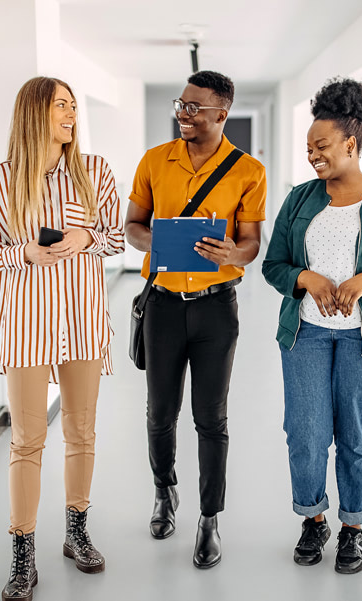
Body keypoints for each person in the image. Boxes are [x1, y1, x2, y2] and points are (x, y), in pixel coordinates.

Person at [262, 77, 362, 574]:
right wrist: (306, 277)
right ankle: (313, 519)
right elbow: (274, 267)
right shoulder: (299, 200)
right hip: (305, 334)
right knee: (306, 433)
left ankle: (352, 528)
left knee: (355, 436)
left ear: (350, 144)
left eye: (322, 146)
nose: (313, 155)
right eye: (309, 147)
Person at [0, 76, 124, 601]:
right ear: (34, 112)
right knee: (27, 441)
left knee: (81, 433)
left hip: (83, 322)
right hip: (27, 326)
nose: (70, 113)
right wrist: (27, 254)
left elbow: (116, 237)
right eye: (60, 105)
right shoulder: (2, 179)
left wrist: (88, 236)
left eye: (72, 106)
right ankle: (22, 555)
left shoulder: (94, 172)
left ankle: (77, 534)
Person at [125, 70, 266, 568]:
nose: (183, 114)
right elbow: (132, 227)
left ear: (220, 114)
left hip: (215, 307)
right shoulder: (153, 161)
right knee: (159, 414)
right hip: (162, 305)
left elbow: (251, 243)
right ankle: (165, 492)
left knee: (212, 418)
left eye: (194, 108)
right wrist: (158, 240)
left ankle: (210, 519)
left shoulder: (248, 170)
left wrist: (234, 250)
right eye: (180, 105)